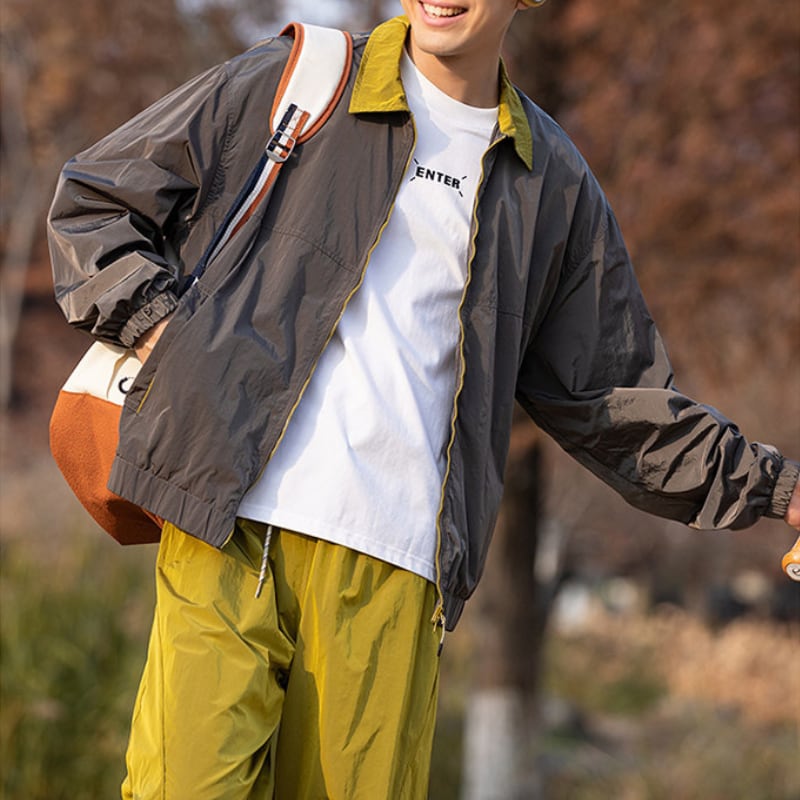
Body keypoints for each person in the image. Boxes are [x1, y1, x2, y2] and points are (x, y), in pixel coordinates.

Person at [48, 1, 800, 798]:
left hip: (393, 575)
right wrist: (168, 337)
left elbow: (614, 400)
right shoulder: (300, 81)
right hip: (224, 535)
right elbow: (96, 201)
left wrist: (779, 490)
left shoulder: (549, 180)